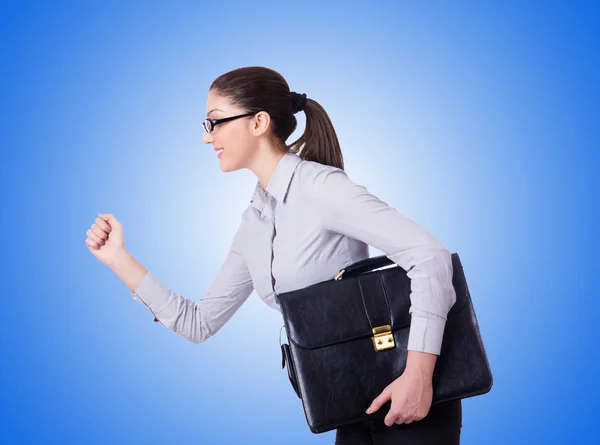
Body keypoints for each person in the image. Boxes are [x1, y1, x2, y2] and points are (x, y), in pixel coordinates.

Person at [85, 66, 462, 444]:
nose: (205, 137)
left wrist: (418, 376)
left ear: (258, 122)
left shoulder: (320, 188)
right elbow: (199, 323)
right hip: (353, 399)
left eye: (214, 122)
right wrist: (118, 258)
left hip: (411, 392)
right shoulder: (256, 221)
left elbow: (429, 255)